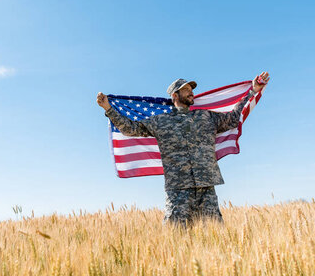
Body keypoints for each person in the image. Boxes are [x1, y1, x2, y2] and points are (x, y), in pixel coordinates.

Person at [96, 72, 270, 226]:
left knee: (215, 235)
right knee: (175, 236)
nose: (191, 92)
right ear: (175, 95)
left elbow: (233, 119)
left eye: (191, 89)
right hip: (178, 188)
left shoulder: (206, 116)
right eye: (186, 90)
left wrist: (253, 91)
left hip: (206, 186)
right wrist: (109, 109)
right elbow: (130, 128)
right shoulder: (161, 121)